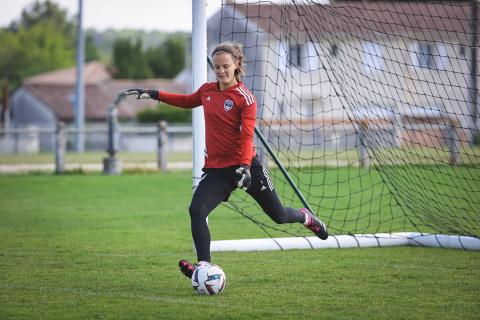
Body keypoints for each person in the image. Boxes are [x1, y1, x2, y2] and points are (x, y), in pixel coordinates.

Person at [125, 41, 328, 279]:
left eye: (226, 66)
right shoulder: (207, 90)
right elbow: (187, 101)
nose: (221, 71)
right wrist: (154, 94)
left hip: (247, 167)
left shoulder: (245, 98)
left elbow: (247, 135)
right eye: (217, 67)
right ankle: (204, 267)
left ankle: (306, 217)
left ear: (236, 65)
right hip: (218, 170)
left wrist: (244, 167)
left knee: (280, 216)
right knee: (196, 210)